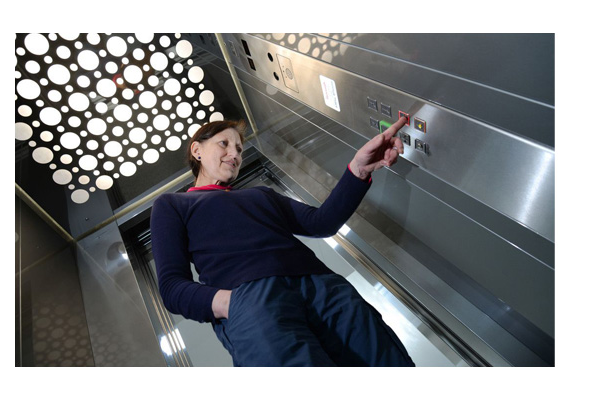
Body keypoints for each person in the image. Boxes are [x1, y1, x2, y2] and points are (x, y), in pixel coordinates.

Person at [150, 117, 415, 367]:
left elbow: (321, 223)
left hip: (323, 288)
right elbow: (173, 287)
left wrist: (359, 168)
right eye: (224, 144)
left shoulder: (261, 195)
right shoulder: (173, 204)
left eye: (239, 149)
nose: (235, 154)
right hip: (254, 301)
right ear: (197, 150)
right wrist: (230, 303)